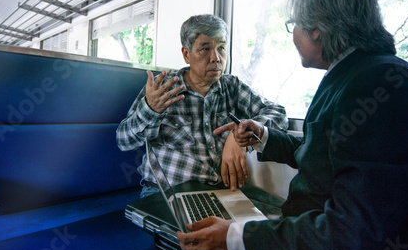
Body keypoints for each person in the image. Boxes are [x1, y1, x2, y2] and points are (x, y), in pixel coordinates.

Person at [169, 0, 408, 250]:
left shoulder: (379, 85)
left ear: (316, 30)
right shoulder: (351, 76)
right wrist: (264, 136)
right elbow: (327, 152)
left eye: (294, 25)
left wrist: (235, 239)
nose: (293, 34)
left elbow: (351, 233)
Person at [116, 14, 287, 197]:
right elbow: (124, 142)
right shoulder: (162, 89)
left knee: (264, 221)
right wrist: (150, 110)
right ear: (186, 54)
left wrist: (239, 136)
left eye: (221, 48)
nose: (216, 57)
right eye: (205, 49)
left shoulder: (232, 87)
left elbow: (279, 114)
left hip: (219, 192)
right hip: (165, 193)